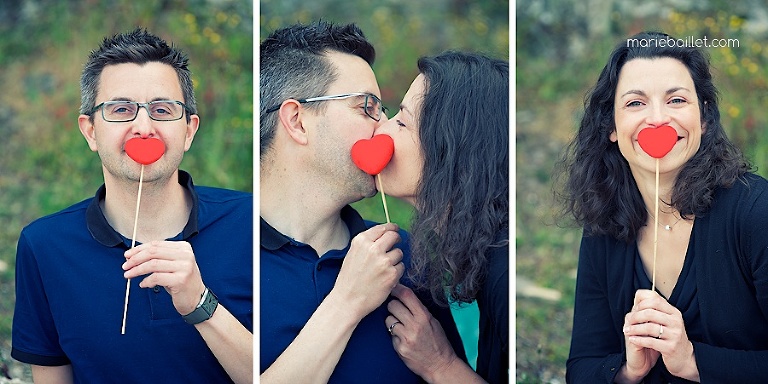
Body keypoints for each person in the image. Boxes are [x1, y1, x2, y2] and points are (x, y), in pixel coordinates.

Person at [11, 29, 252, 384]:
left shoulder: (251, 222)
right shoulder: (44, 246)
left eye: (162, 109)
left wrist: (201, 304)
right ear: (91, 131)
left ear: (188, 130)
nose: (143, 127)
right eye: (121, 109)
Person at [259, 21, 467, 383]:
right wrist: (347, 303)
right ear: (297, 121)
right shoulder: (220, 256)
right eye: (368, 107)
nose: (385, 128)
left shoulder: (406, 254)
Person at [558, 31, 768, 383]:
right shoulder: (605, 221)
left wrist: (692, 362)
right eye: (635, 103)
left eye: (676, 100)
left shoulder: (755, 213)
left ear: (703, 117)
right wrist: (629, 370)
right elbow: (582, 366)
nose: (657, 119)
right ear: (611, 126)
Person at [374, 51, 510, 383]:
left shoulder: (504, 272)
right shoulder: (484, 243)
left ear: (450, 152)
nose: (381, 126)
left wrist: (440, 365)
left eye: (401, 121)